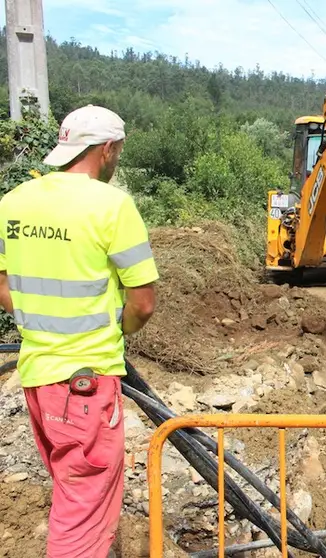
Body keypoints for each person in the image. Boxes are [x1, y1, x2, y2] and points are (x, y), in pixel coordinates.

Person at [0, 105, 158, 558]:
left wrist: (37, 318)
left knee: (72, 490)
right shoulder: (112, 205)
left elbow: (2, 282)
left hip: (37, 378)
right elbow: (142, 303)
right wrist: (115, 332)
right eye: (119, 152)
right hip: (84, 386)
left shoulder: (13, 202)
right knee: (83, 514)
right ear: (107, 150)